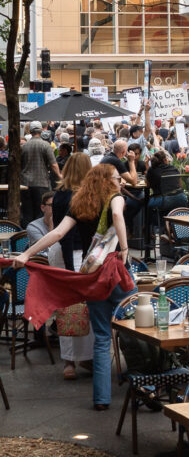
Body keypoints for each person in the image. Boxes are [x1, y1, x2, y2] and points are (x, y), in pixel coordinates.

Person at [14, 164, 134, 410]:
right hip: (116, 273)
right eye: (116, 178)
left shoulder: (78, 204)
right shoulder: (115, 197)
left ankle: (101, 399)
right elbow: (117, 216)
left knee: (102, 337)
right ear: (107, 181)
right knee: (138, 328)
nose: (120, 181)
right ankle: (145, 383)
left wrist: (27, 254)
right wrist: (123, 248)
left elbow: (57, 233)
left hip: (93, 276)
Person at [50, 152, 94, 380]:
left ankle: (72, 361)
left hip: (63, 251)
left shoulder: (59, 194)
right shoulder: (79, 196)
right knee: (81, 308)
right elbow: (67, 235)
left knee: (66, 308)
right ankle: (79, 359)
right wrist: (70, 268)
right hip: (74, 254)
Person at [21, 121, 62, 226]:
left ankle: (26, 236)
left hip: (25, 184)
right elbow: (53, 164)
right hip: (41, 183)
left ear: (30, 131)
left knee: (27, 212)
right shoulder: (46, 145)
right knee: (41, 212)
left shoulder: (24, 146)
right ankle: (39, 236)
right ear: (41, 130)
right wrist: (60, 176)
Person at [146, 150, 187, 232]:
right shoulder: (173, 168)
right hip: (181, 198)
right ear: (165, 160)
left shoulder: (152, 170)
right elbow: (181, 185)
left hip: (164, 200)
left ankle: (156, 229)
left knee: (148, 204)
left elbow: (147, 185)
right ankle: (171, 230)